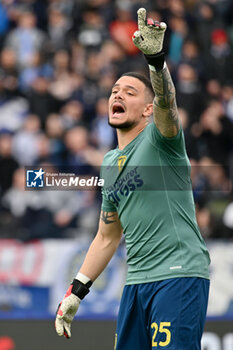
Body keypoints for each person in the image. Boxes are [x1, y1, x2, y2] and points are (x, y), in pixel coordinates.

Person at [55, 8, 210, 350]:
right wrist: (76, 291)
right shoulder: (109, 164)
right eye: (114, 90)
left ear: (147, 109)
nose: (117, 95)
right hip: (135, 283)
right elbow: (107, 237)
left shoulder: (161, 138)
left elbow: (168, 102)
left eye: (129, 91)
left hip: (178, 273)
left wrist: (156, 62)